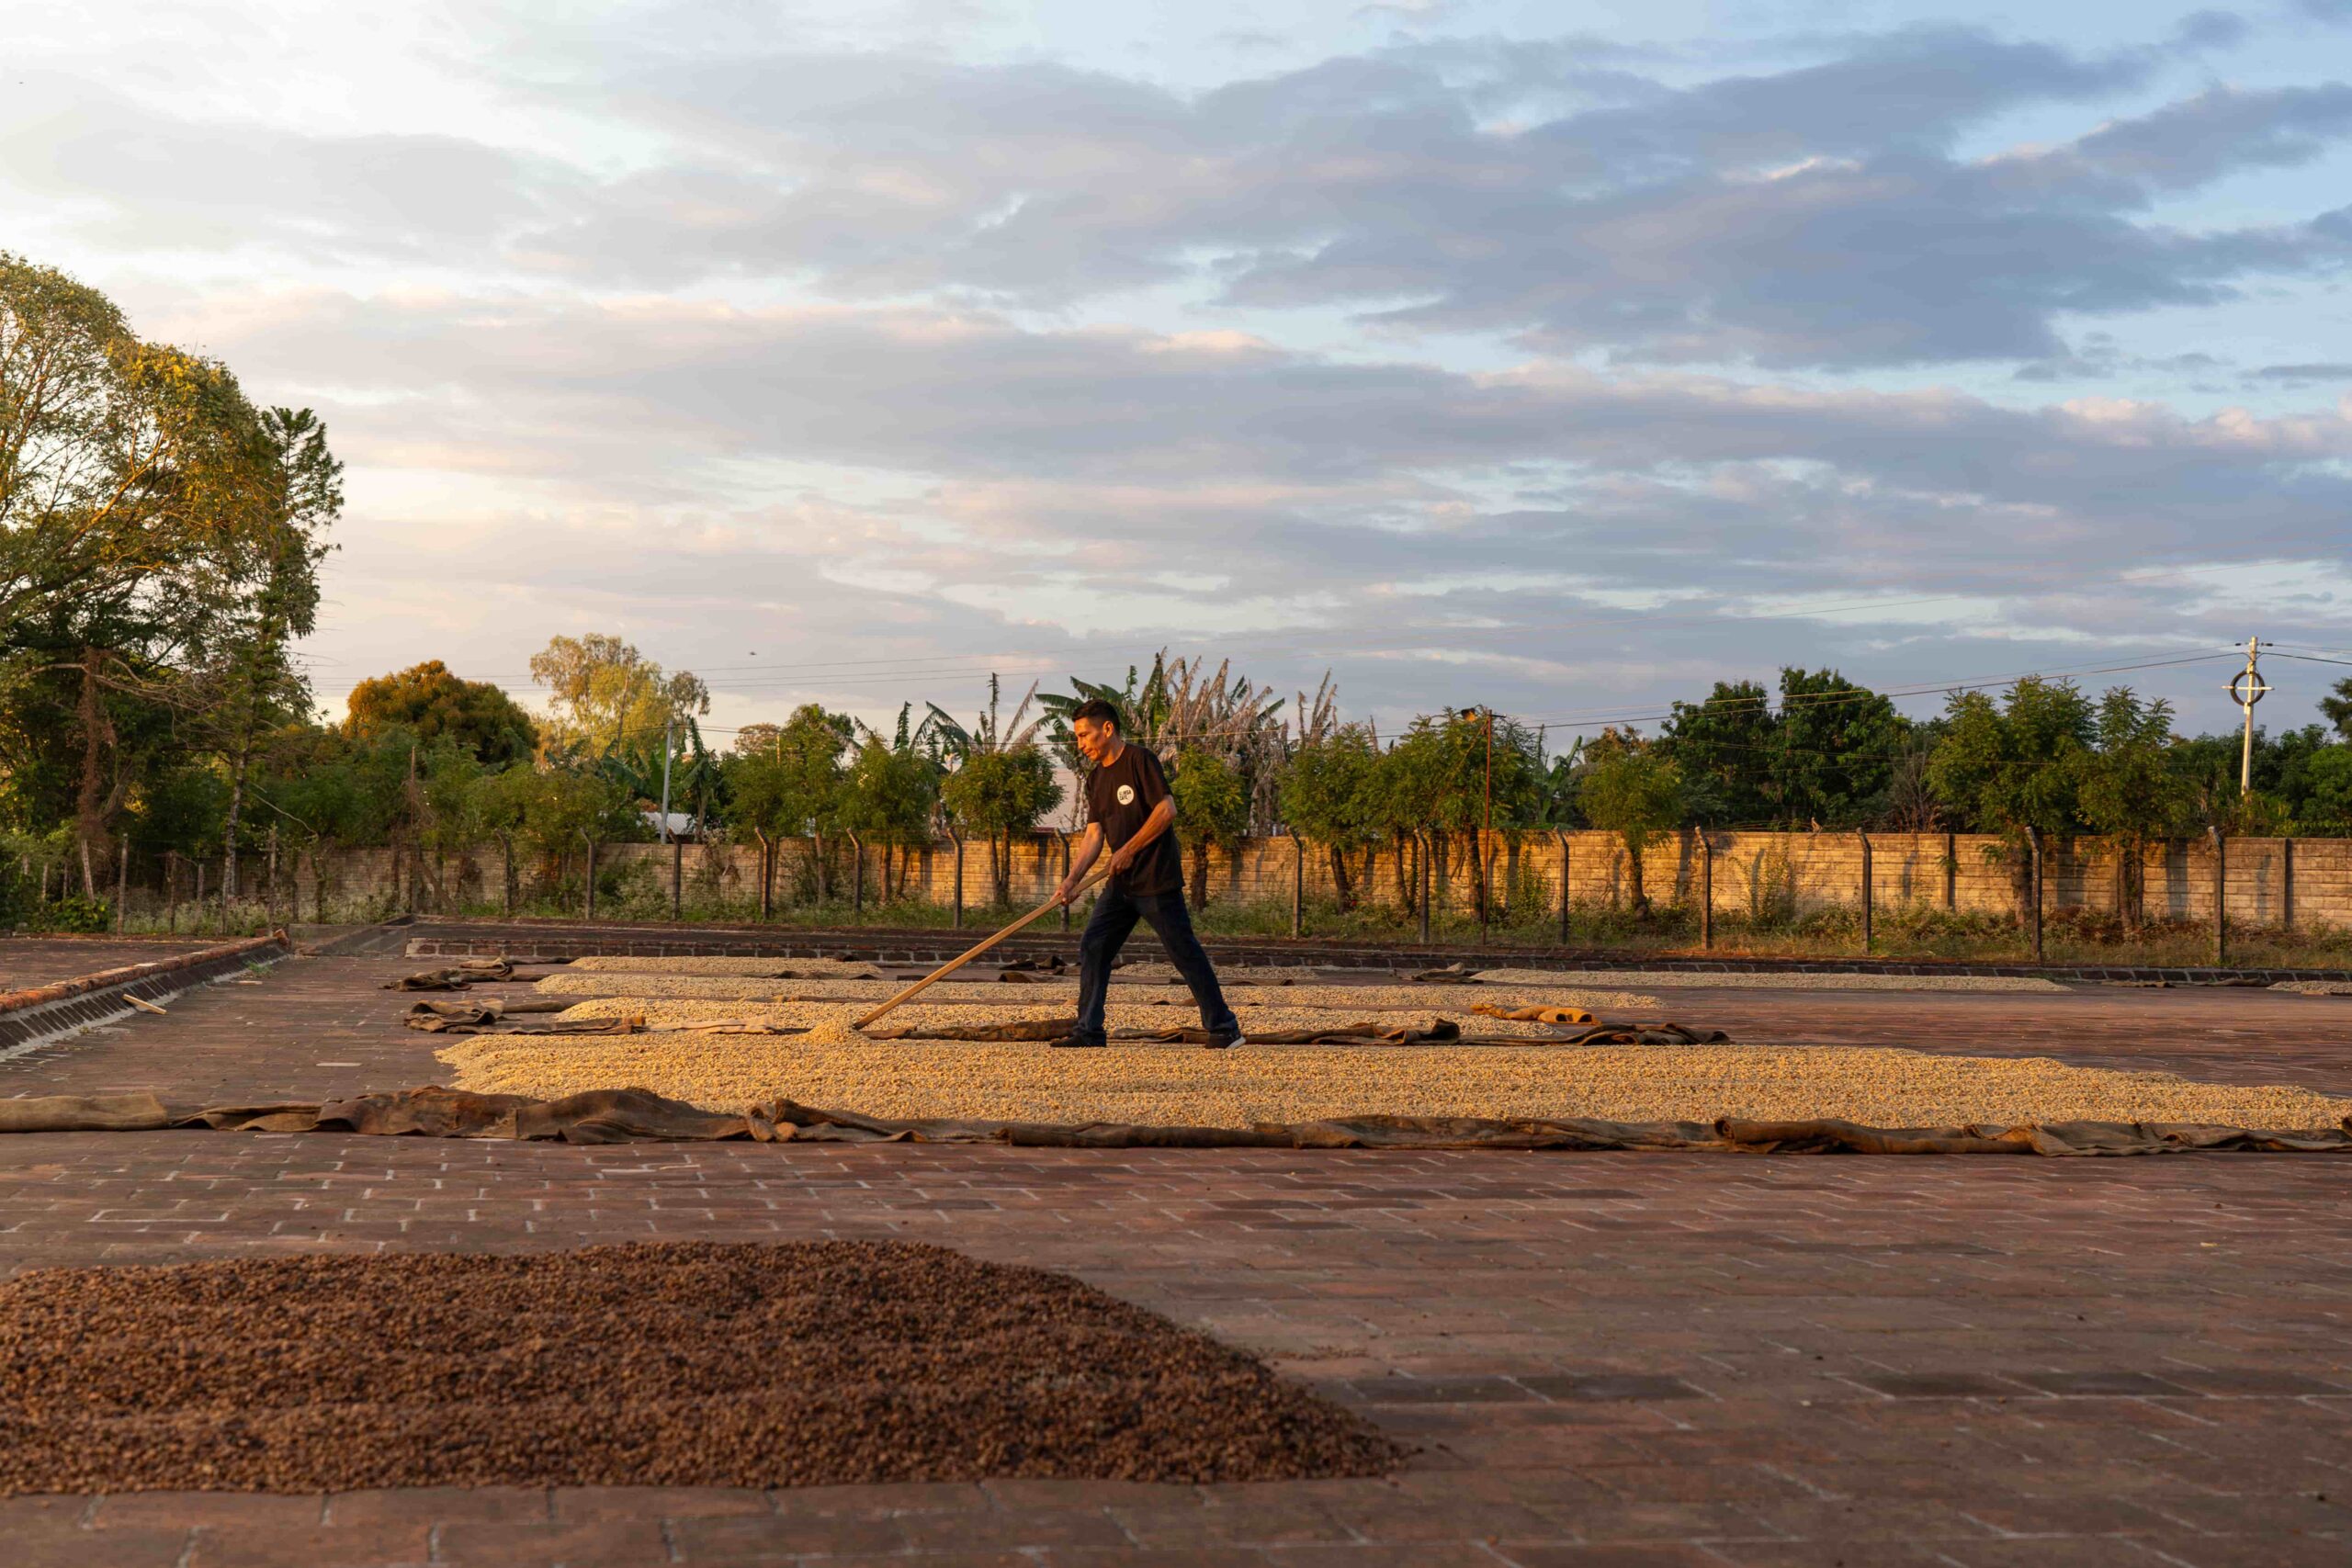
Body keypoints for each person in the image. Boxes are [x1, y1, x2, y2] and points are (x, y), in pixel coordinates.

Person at [1050, 697, 1244, 1050]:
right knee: (1094, 946)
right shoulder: (1096, 779)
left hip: (1156, 880)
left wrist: (1128, 849)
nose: (1080, 744)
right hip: (1120, 884)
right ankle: (1089, 1031)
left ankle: (1224, 1028)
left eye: (1084, 735)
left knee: (1183, 951)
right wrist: (1073, 878)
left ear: (1107, 729)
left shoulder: (1140, 760)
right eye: (1077, 737)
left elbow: (1166, 810)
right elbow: (1094, 834)